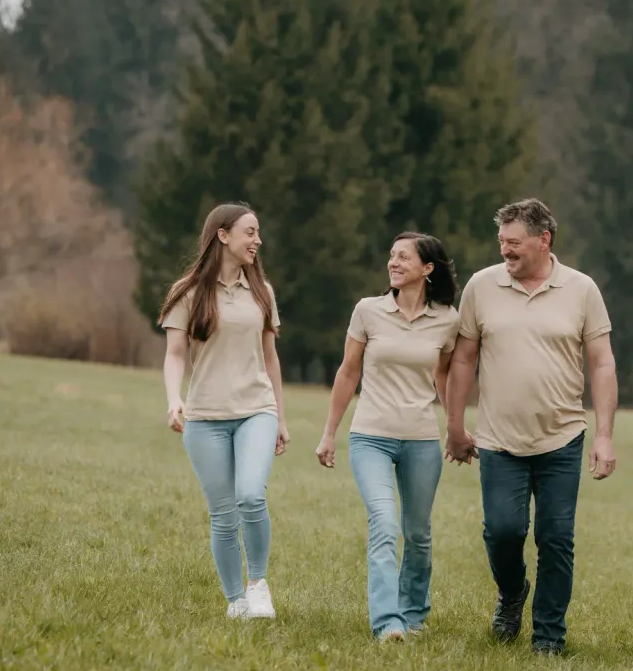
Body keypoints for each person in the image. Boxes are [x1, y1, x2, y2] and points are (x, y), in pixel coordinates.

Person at [444, 198, 618, 656]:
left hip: (562, 437)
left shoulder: (581, 290)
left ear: (544, 240)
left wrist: (603, 434)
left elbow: (601, 364)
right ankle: (512, 592)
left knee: (556, 539)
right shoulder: (482, 287)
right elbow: (462, 358)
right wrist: (455, 426)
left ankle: (548, 637)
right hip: (498, 439)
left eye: (513, 243)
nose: (505, 250)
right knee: (503, 531)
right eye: (501, 241)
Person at [315, 232, 460, 642]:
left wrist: (455, 429)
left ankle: (413, 614)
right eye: (391, 256)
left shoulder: (448, 319)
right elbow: (348, 372)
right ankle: (386, 622)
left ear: (427, 269)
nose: (393, 263)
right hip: (370, 436)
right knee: (383, 522)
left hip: (420, 440)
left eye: (403, 257)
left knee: (417, 532)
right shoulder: (368, 311)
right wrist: (329, 433)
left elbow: (445, 376)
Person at [159, 202, 289, 619]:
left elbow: (271, 359)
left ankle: (258, 586)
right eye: (250, 232)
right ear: (223, 235)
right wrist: (173, 398)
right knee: (222, 513)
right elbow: (175, 354)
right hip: (205, 417)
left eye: (258, 233)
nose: (258, 240)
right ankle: (236, 602)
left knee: (251, 496)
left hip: (256, 409)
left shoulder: (262, 292)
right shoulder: (188, 292)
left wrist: (280, 418)